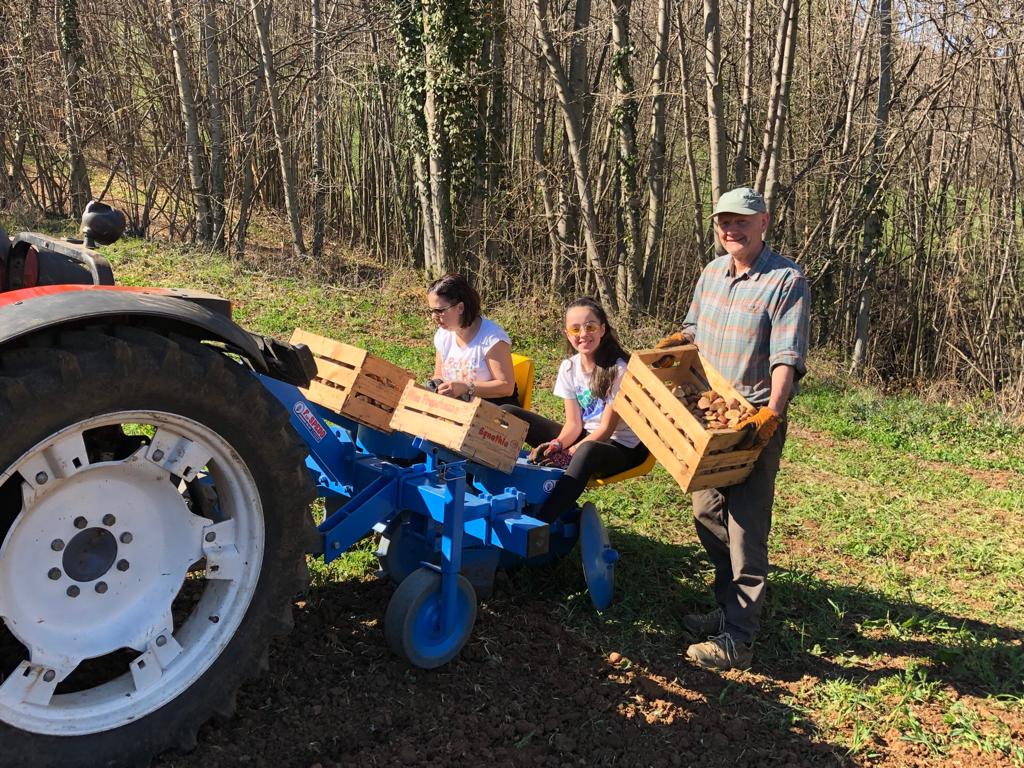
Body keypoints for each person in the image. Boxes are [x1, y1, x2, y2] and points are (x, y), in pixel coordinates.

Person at [657, 186, 809, 670]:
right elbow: (695, 330)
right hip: (708, 418)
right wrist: (676, 341)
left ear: (763, 222)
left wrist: (772, 415)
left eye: (742, 221)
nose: (731, 229)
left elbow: (787, 358)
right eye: (724, 221)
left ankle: (739, 639)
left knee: (745, 529)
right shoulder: (711, 273)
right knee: (706, 513)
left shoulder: (786, 280)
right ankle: (727, 608)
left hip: (752, 422)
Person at [503, 297, 649, 523]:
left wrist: (568, 454)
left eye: (590, 326)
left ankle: (541, 522)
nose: (583, 334)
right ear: (567, 333)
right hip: (586, 436)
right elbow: (573, 425)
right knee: (508, 413)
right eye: (575, 328)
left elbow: (606, 430)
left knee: (587, 450)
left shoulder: (619, 370)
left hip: (621, 448)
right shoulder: (569, 367)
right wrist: (558, 444)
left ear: (603, 329)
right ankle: (495, 486)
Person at [427, 273, 519, 407]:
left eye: (439, 310)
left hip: (491, 413)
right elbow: (439, 374)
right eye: (431, 310)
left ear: (460, 308)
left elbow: (506, 387)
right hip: (457, 408)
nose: (433, 316)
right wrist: (436, 384)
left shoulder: (492, 338)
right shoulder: (443, 335)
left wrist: (466, 387)